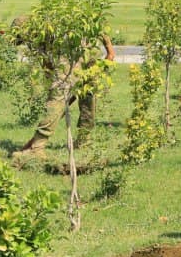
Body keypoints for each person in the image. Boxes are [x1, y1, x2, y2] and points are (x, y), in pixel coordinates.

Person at [12, 22, 115, 160]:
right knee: (87, 96)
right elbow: (47, 65)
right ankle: (85, 140)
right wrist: (109, 48)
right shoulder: (50, 23)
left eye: (22, 39)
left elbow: (93, 21)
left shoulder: (39, 32)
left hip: (72, 56)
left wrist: (109, 48)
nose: (25, 42)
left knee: (59, 98)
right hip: (87, 52)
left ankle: (37, 149)